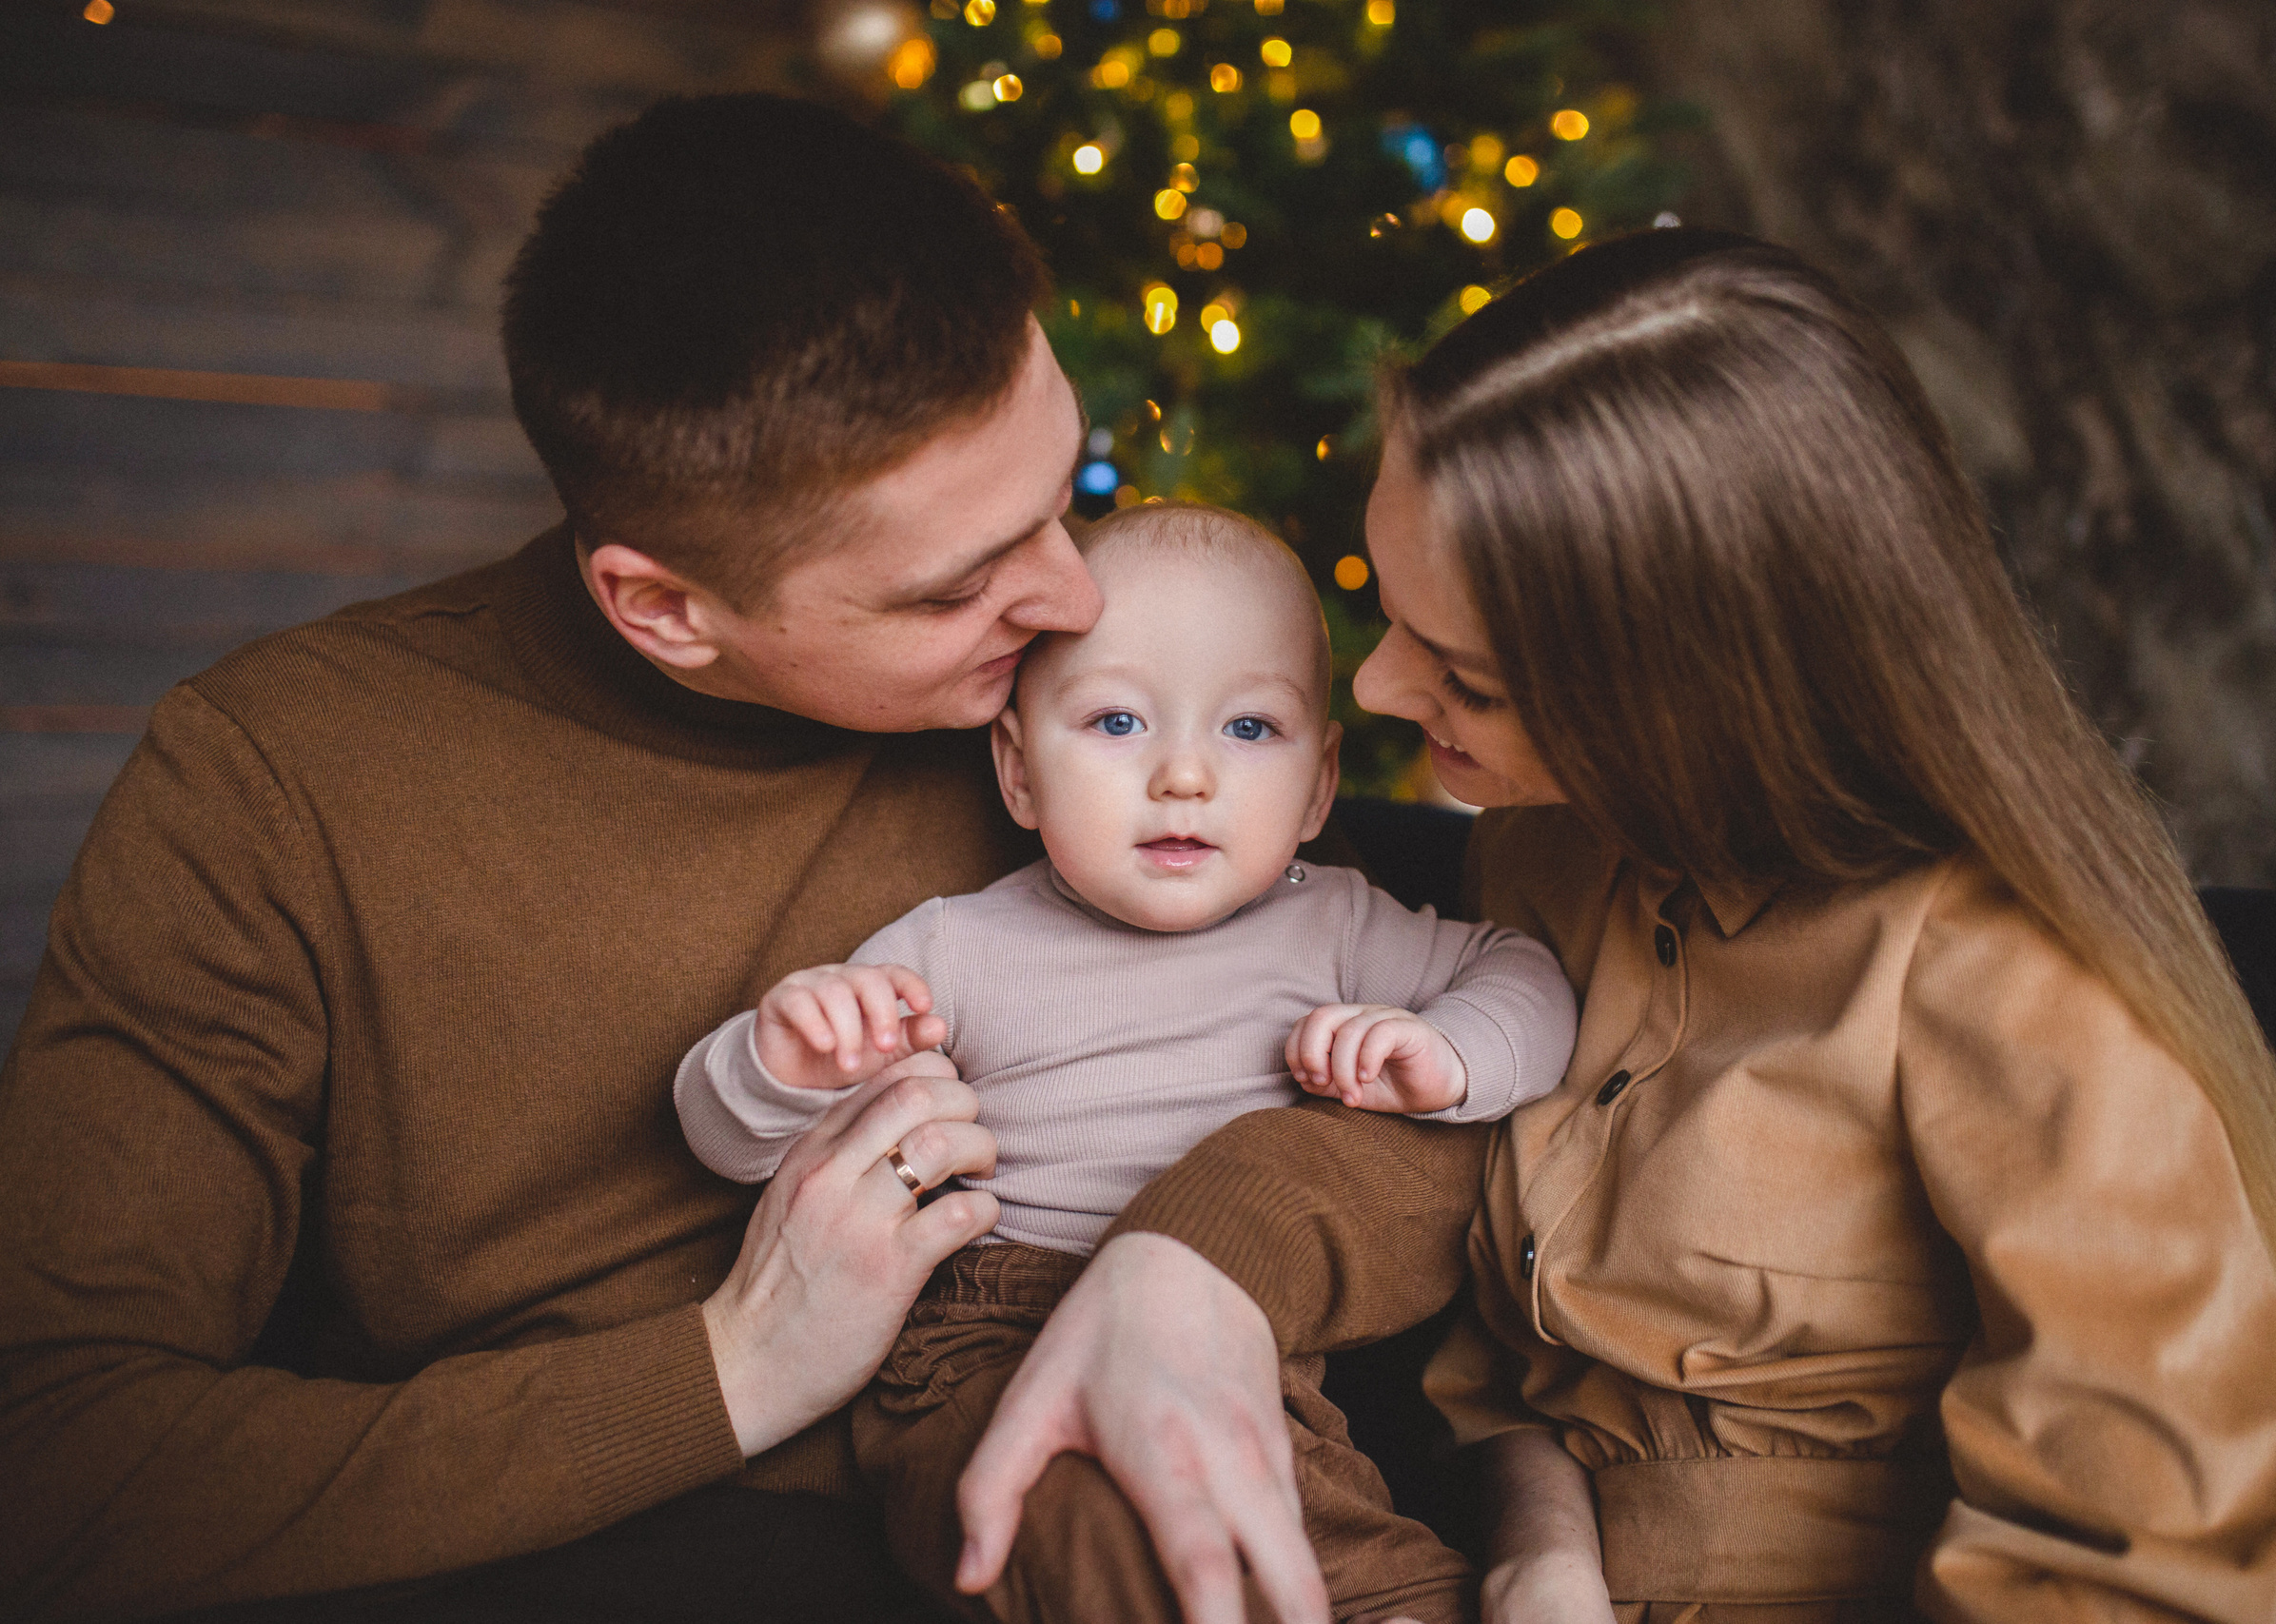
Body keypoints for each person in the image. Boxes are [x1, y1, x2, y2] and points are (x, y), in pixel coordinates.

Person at [0, 96, 1477, 1624]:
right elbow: (56, 1462)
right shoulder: (273, 781)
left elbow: (1445, 1065)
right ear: (665, 608)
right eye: (961, 584)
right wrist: (736, 1363)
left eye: (1070, 495)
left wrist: (1203, 1257)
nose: (1063, 598)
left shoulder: (1118, 729)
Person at [1332, 228, 2276, 1621]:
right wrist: (1548, 1549)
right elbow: (1509, 1347)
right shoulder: (1544, 853)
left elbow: (2136, 1573)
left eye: (1465, 676)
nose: (1368, 687)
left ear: (1694, 690)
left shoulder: (2008, 980)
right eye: (1387, 611)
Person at [674, 504, 1579, 1623]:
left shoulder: (1339, 924)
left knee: (1340, 1551)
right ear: (1016, 771)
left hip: (1247, 1336)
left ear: (1317, 787)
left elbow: (1531, 983)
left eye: (1249, 730)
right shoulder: (958, 948)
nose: (1184, 775)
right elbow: (722, 1138)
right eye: (1115, 722)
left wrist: (1449, 1053)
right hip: (990, 1336)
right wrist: (782, 1060)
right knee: (1089, 1523)